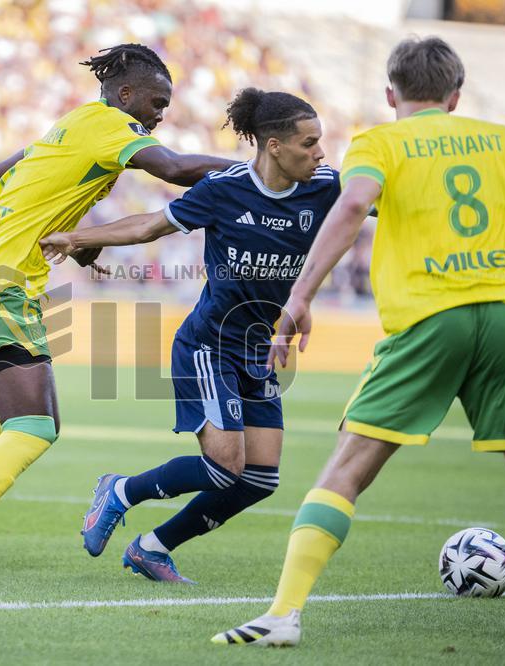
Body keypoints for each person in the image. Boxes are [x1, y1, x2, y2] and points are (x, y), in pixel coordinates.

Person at [213, 37, 505, 660]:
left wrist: (298, 298)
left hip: (430, 316)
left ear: (390, 94)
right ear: (457, 95)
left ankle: (283, 614)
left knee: (346, 470)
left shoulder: (379, 142)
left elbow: (353, 203)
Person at [0, 44, 238, 580]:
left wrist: (70, 235)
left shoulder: (75, 123)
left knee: (30, 422)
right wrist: (254, 169)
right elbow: (173, 169)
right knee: (32, 427)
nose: (160, 114)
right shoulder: (107, 125)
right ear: (125, 94)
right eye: (156, 101)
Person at [42, 88, 337, 583]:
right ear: (273, 146)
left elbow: (377, 203)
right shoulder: (225, 189)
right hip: (209, 344)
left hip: (259, 351)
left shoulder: (327, 187)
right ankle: (120, 491)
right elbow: (147, 228)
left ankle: (152, 548)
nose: (321, 153)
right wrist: (76, 238)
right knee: (225, 466)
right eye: (309, 143)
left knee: (260, 478)